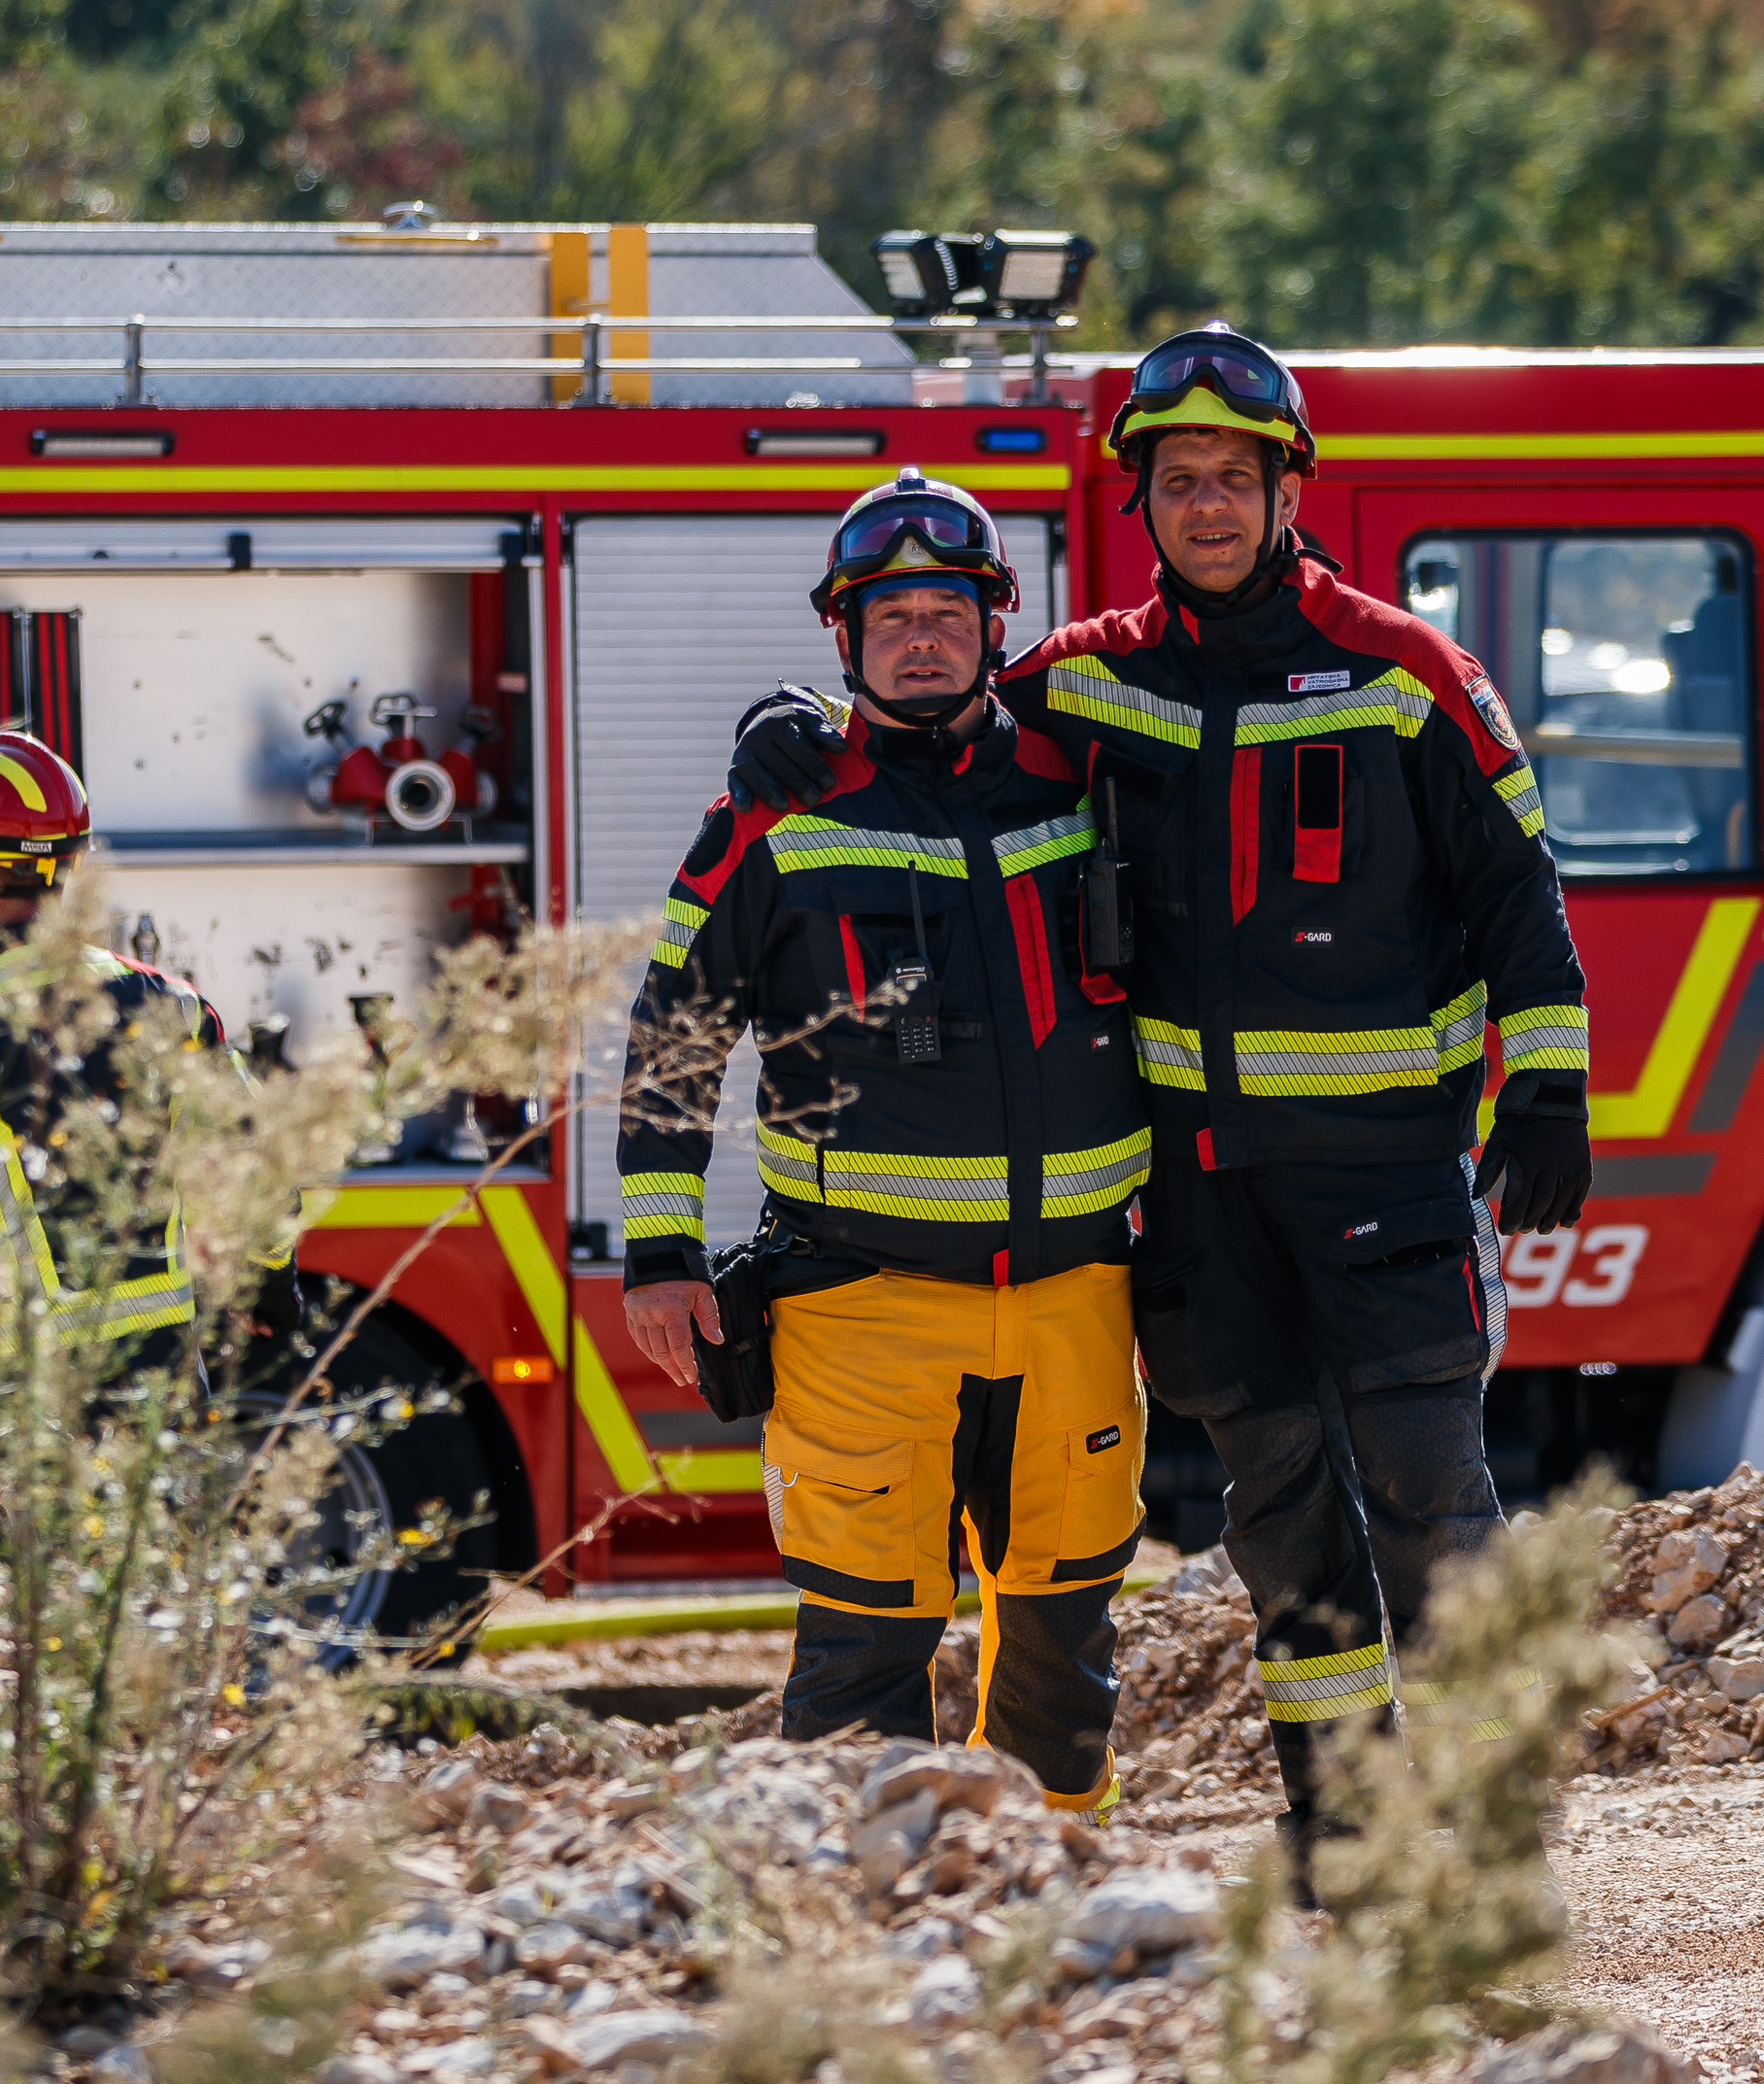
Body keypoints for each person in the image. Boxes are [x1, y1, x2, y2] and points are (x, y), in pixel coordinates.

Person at [733, 328, 1590, 1893]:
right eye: (1178, 479)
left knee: (1430, 1496)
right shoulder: (1084, 676)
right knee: (1280, 1527)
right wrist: (791, 733)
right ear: (1144, 500)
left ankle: (1485, 1836)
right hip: (1196, 1198)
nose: (1205, 504)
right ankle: (1345, 1832)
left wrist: (1548, 1080)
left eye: (1232, 477)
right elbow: (939, 734)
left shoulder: (1408, 674)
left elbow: (1520, 892)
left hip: (1384, 1177)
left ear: (1286, 488)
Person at [620, 473, 1152, 1811]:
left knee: (1062, 1655)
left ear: (998, 623)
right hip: (857, 1308)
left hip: (1078, 1296)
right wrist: (660, 1246)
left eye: (949, 610)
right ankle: (861, 1968)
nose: (922, 636)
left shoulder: (1085, 773)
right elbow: (678, 1020)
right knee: (862, 1653)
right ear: (841, 636)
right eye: (891, 614)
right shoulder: (777, 806)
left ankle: (1054, 1934)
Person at [0, 728, 222, 1360]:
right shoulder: (176, 1005)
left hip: (7, 1418)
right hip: (156, 1410)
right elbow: (263, 1179)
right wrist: (277, 1288)